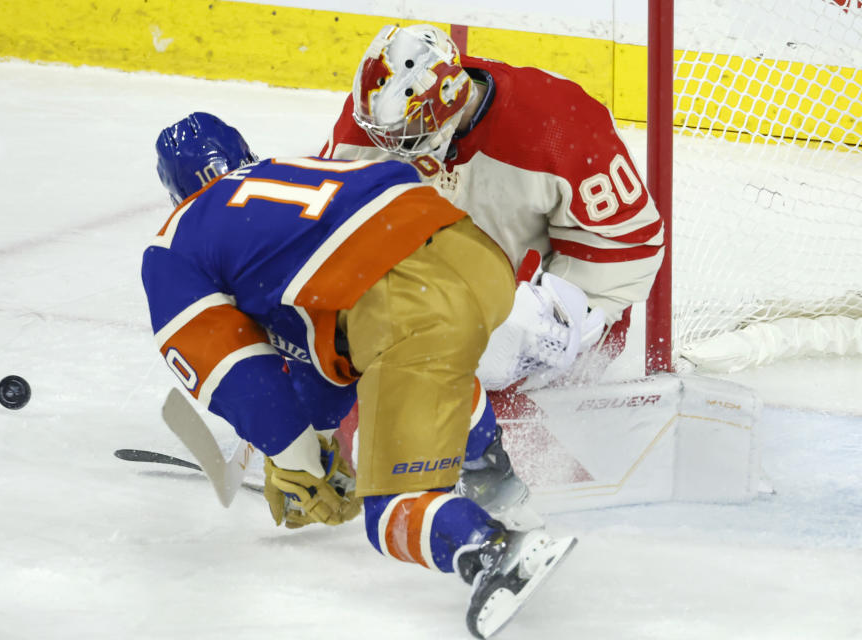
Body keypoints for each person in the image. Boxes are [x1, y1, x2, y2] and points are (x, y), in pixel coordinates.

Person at [142, 111, 576, 639]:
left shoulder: (177, 242)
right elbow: (320, 335)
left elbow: (226, 362)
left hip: (405, 296)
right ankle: (490, 474)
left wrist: (293, 453)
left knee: (390, 511)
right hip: (473, 255)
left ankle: (497, 553)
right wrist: (329, 449)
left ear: (175, 191)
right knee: (431, 359)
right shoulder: (293, 170)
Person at [320, 24, 664, 391]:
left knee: (493, 357)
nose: (392, 145)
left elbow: (630, 241)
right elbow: (331, 220)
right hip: (439, 303)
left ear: (453, 97)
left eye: (411, 130)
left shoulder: (560, 125)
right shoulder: (384, 117)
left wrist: (562, 316)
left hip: (542, 307)